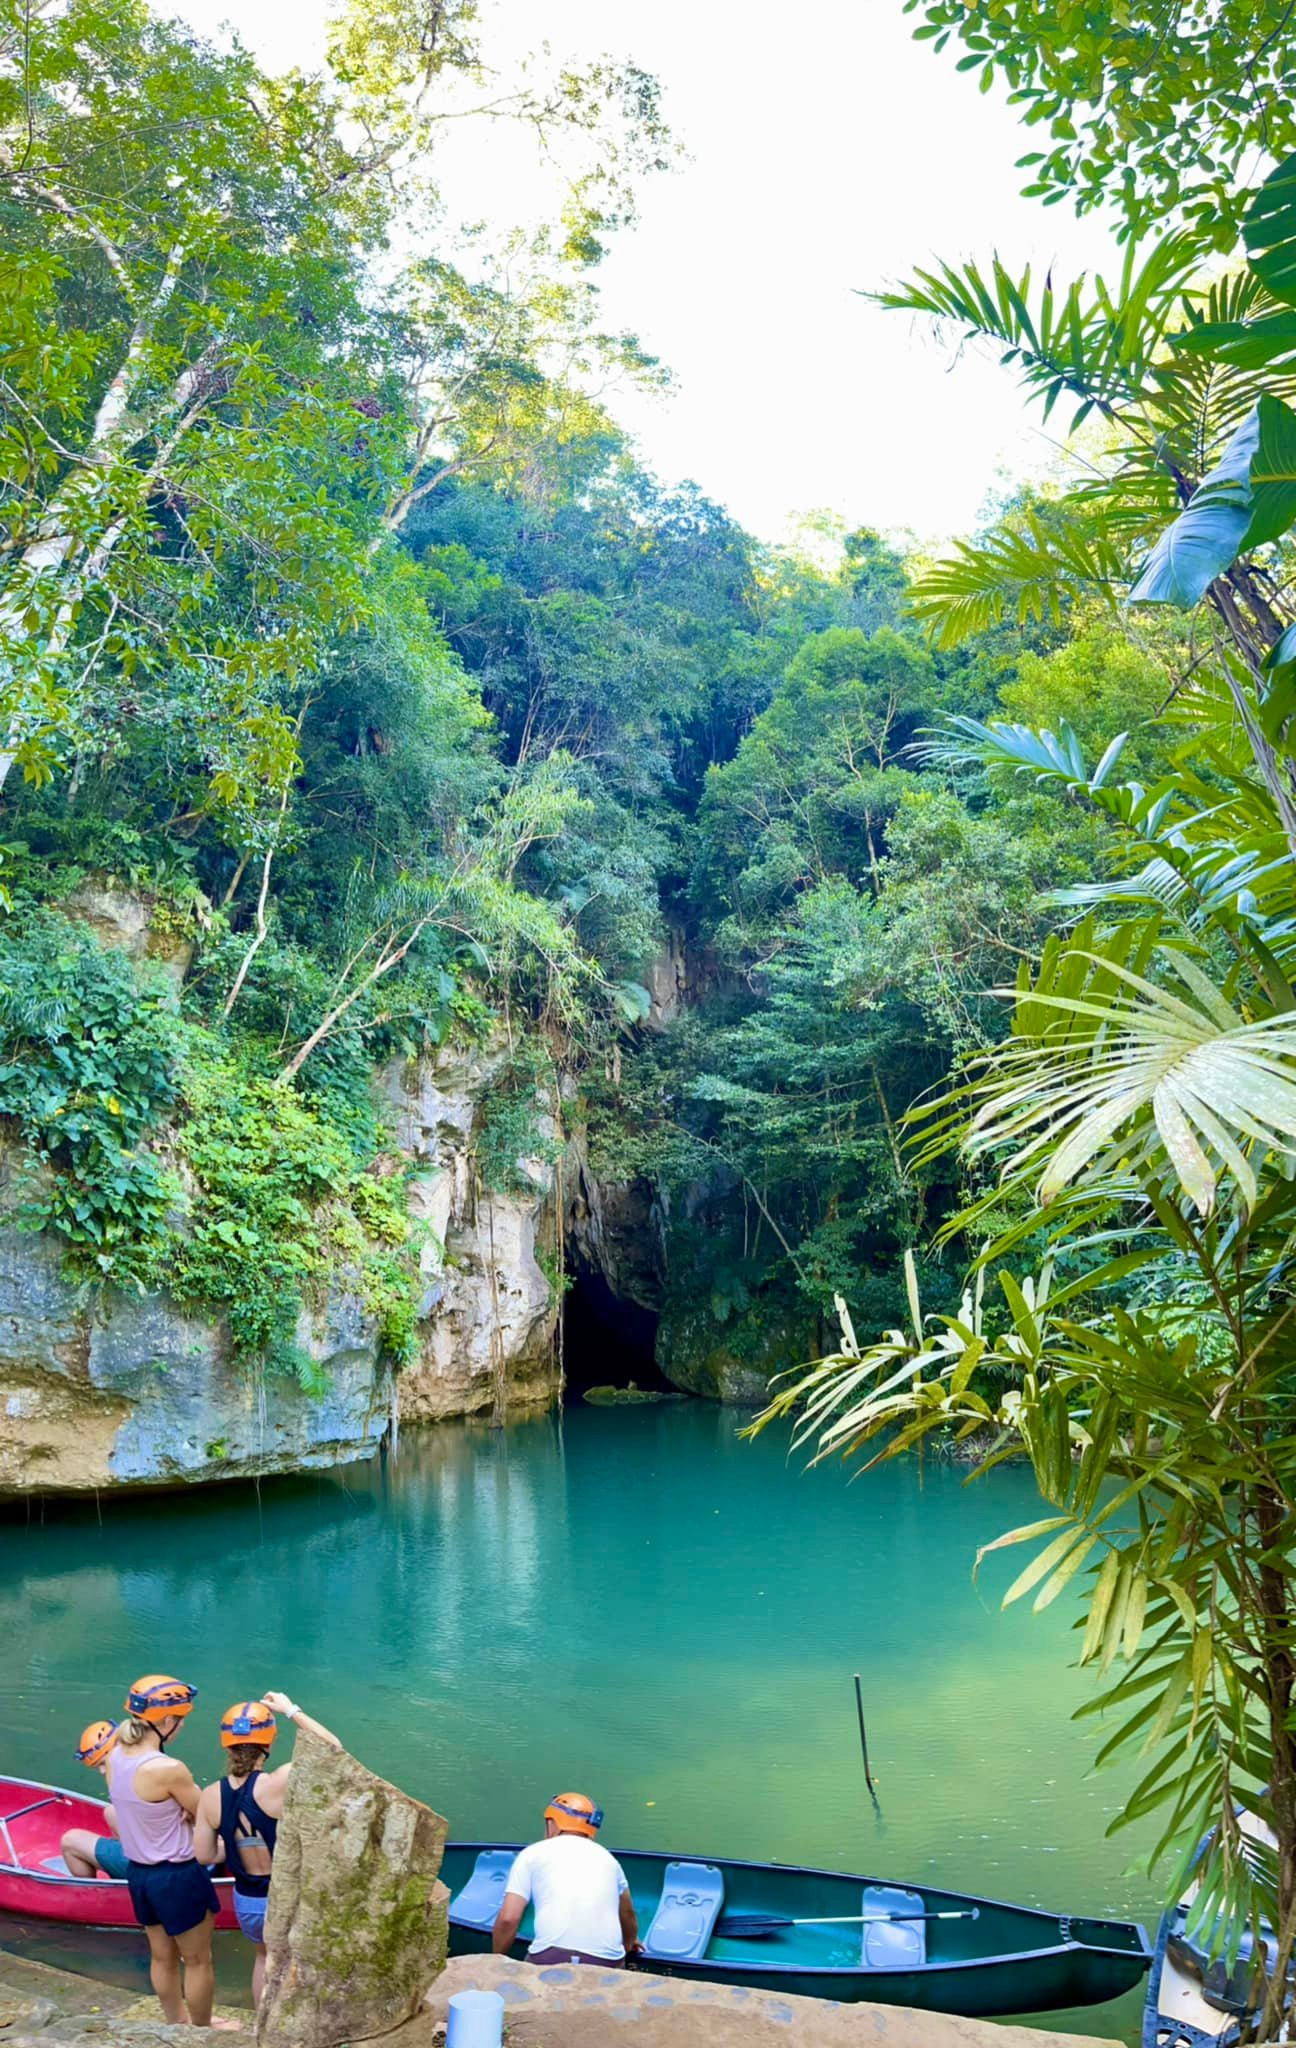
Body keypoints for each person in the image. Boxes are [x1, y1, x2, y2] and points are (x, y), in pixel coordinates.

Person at [193, 1689, 340, 2010]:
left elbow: (204, 1855)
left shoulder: (209, 1795)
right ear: (269, 1743)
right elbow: (333, 1750)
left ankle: (264, 2028)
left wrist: (236, 1843)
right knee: (293, 1965)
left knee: (263, 1959)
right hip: (285, 1898)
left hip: (247, 1901)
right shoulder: (277, 1783)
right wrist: (290, 1709)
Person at [106, 1673, 220, 2028]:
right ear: (167, 1721)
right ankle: (202, 2031)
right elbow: (205, 1813)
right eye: (181, 1720)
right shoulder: (168, 1769)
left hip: (139, 1873)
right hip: (177, 1874)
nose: (182, 1727)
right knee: (198, 1959)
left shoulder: (113, 1756)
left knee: (161, 1957)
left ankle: (175, 2023)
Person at [491, 1793, 640, 1968]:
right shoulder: (609, 1859)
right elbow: (627, 1912)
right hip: (606, 1960)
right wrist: (630, 1942)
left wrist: (496, 1960)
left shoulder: (532, 1854)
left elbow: (508, 1918)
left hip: (550, 1956)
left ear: (553, 1823)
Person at [61, 1721, 129, 1880]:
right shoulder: (149, 1762)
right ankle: (119, 1873)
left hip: (152, 1865)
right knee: (110, 1811)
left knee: (70, 1841)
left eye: (103, 1764)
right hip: (166, 1852)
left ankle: (98, 1894)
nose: (102, 1771)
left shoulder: (128, 1782)